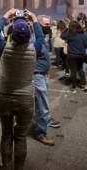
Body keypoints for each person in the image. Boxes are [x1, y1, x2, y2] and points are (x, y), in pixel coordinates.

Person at [0, 9, 36, 170]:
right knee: (20, 136)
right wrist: (34, 20)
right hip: (25, 97)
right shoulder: (35, 48)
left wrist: (5, 16)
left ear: (12, 33)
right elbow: (39, 36)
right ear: (29, 35)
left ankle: (6, 166)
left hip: (4, 95)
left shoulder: (4, 47)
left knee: (6, 134)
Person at [33, 15, 61, 147]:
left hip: (42, 74)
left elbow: (45, 57)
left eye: (49, 24)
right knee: (43, 106)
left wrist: (46, 71)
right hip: (37, 76)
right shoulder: (35, 39)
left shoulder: (44, 38)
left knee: (39, 104)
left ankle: (41, 123)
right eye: (46, 25)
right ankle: (41, 133)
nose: (49, 26)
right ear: (38, 25)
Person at [61, 21, 87, 92]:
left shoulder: (71, 34)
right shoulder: (84, 34)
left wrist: (67, 28)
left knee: (73, 71)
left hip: (72, 55)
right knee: (80, 70)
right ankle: (84, 84)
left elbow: (62, 35)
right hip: (81, 55)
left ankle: (74, 87)